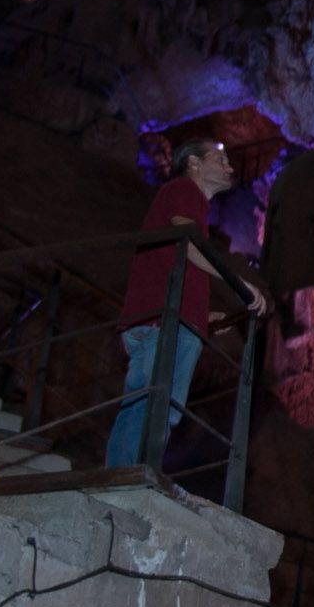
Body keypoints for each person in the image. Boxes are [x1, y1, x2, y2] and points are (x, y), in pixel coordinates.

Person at [105, 139, 268, 467]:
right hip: (163, 324)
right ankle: (124, 480)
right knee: (156, 405)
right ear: (194, 162)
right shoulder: (184, 190)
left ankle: (123, 475)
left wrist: (201, 314)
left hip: (164, 318)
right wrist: (241, 285)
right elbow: (187, 240)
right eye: (220, 159)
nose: (230, 167)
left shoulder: (189, 203)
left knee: (148, 403)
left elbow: (172, 259)